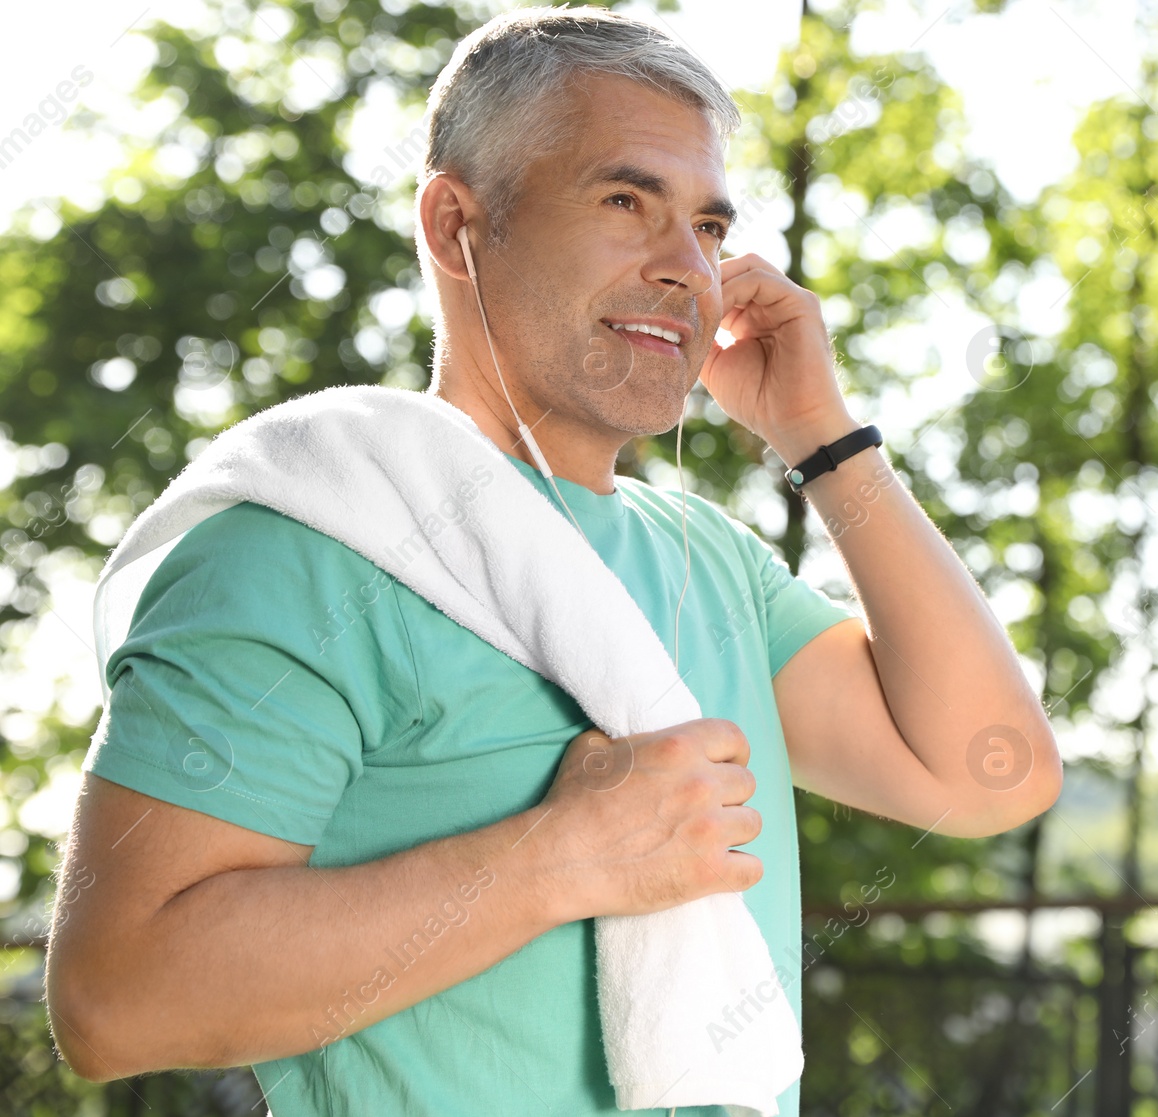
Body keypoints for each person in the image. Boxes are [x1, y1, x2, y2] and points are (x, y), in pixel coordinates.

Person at [44, 7, 1062, 1115]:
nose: (686, 269)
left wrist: (824, 439)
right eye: (626, 202)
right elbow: (115, 999)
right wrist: (558, 857)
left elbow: (989, 771)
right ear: (454, 227)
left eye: (710, 228)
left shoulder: (705, 561)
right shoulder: (306, 545)